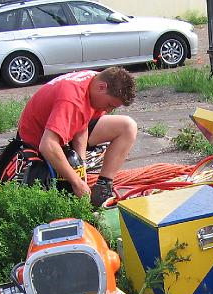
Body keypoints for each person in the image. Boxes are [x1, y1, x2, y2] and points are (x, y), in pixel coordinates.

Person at [15, 67, 137, 208]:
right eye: (109, 105)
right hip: (36, 138)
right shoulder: (72, 99)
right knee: (68, 180)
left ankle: (102, 188)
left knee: (128, 127)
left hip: (63, 127)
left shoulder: (96, 81)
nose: (108, 110)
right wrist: (77, 183)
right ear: (102, 87)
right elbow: (47, 145)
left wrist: (81, 165)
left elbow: (82, 124)